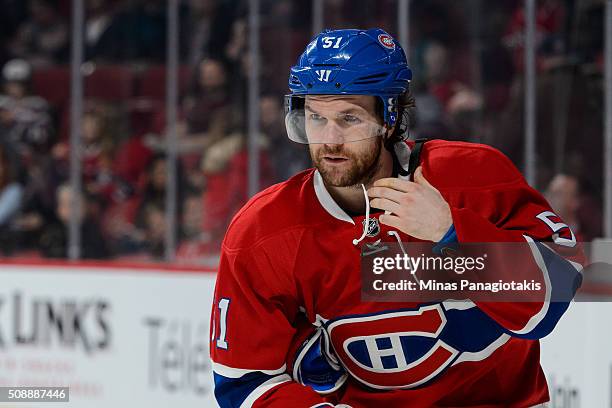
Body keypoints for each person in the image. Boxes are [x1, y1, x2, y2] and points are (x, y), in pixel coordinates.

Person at [210, 29, 584, 407]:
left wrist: (452, 234)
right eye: (316, 118)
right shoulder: (265, 232)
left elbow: (553, 300)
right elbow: (244, 382)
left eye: (349, 118)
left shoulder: (472, 177)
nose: (330, 140)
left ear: (389, 117)